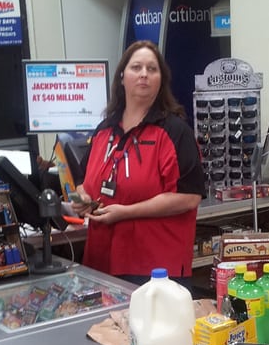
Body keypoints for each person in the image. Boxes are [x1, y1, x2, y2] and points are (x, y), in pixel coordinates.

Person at [73, 40, 205, 282]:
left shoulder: (175, 132)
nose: (144, 74)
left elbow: (189, 197)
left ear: (161, 80)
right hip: (101, 263)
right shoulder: (104, 130)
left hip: (155, 270)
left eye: (152, 69)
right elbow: (83, 181)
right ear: (122, 77)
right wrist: (83, 199)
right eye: (136, 67)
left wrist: (126, 212)